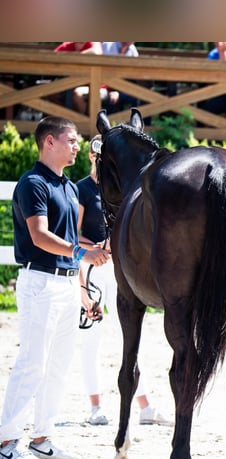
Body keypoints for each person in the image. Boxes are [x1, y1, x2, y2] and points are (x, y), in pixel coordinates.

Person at [0, 116, 111, 459]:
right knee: (32, 362)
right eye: (71, 140)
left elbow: (71, 239)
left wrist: (82, 290)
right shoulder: (33, 183)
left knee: (58, 365)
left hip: (64, 282)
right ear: (49, 142)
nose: (77, 146)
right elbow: (40, 236)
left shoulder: (69, 187)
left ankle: (42, 437)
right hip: (40, 282)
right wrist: (82, 253)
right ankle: (5, 439)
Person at [76, 136, 172, 427]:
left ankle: (145, 406)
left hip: (119, 268)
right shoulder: (81, 189)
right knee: (91, 340)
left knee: (129, 339)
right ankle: (95, 405)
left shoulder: (122, 191)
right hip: (92, 265)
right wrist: (96, 248)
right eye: (95, 156)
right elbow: (73, 233)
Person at [53, 42, 104, 114]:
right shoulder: (67, 45)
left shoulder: (94, 43)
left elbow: (96, 52)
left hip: (92, 85)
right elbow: (52, 57)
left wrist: (74, 58)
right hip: (68, 83)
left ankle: (84, 122)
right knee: (52, 93)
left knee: (77, 94)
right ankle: (65, 118)